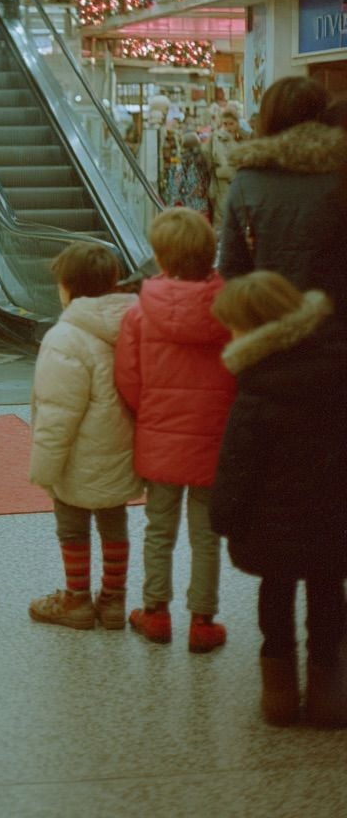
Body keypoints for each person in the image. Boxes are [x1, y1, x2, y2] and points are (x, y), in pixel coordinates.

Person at [210, 271, 347, 727]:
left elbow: (238, 466)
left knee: (276, 596)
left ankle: (279, 695)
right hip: (334, 519)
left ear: (256, 326)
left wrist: (225, 518)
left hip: (274, 526)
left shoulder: (257, 386)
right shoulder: (337, 366)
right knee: (329, 595)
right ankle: (329, 697)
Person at [114, 208, 236, 653]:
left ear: (161, 258)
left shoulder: (140, 313)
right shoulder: (230, 309)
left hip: (160, 438)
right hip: (215, 440)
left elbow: (128, 378)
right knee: (206, 534)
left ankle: (156, 613)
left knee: (158, 529)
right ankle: (203, 621)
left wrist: (148, 414)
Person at [27, 242, 141, 631]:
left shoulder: (67, 337)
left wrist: (44, 468)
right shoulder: (131, 323)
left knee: (72, 523)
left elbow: (58, 413)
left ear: (68, 286)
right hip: (119, 447)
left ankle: (76, 599)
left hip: (77, 457)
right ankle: (113, 602)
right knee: (114, 519)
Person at [219, 75, 347, 319]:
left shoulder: (248, 181)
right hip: (338, 329)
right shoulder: (341, 174)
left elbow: (231, 269)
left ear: (267, 120)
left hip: (269, 330)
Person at [205, 106, 250, 228]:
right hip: (222, 186)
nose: (228, 127)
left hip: (243, 184)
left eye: (231, 124)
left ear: (237, 123)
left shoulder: (246, 138)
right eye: (225, 124)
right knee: (223, 218)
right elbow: (210, 161)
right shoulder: (216, 139)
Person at [162, 131, 212, 215]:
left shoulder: (182, 164)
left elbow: (175, 186)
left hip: (188, 207)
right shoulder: (204, 162)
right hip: (203, 206)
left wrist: (169, 205)